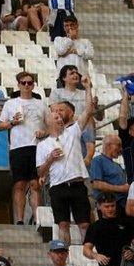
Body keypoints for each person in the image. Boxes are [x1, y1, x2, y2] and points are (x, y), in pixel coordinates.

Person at [37, 80, 95, 243]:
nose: (60, 118)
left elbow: (89, 110)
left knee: (84, 223)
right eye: (55, 116)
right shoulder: (43, 145)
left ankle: (87, 254)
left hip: (77, 184)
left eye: (60, 116)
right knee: (62, 224)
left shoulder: (73, 132)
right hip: (57, 187)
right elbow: (40, 172)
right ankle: (66, 254)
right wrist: (50, 159)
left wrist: (88, 88)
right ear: (48, 122)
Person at [0, 72, 46, 225]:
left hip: (36, 147)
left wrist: (43, 132)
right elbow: (0, 125)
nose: (27, 85)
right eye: (23, 82)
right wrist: (12, 123)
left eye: (30, 83)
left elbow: (51, 126)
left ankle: (38, 219)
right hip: (17, 147)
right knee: (19, 184)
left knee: (35, 184)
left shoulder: (41, 103)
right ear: (18, 85)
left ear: (33, 84)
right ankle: (19, 219)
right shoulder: (10, 103)